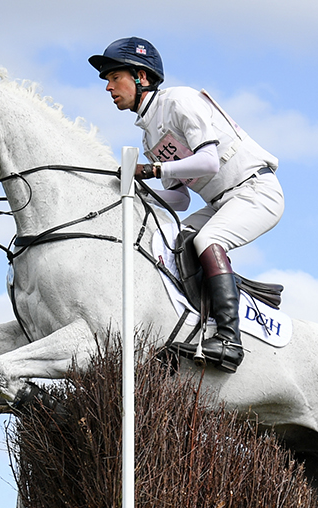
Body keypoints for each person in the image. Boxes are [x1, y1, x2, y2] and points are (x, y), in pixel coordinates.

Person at [91, 37, 283, 373]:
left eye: (113, 77)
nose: (108, 87)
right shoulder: (149, 136)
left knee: (207, 240)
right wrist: (131, 195)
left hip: (256, 190)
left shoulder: (179, 100)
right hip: (221, 202)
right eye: (107, 80)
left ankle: (229, 340)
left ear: (141, 76)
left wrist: (152, 170)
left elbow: (208, 162)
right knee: (174, 244)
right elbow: (178, 199)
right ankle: (204, 322)